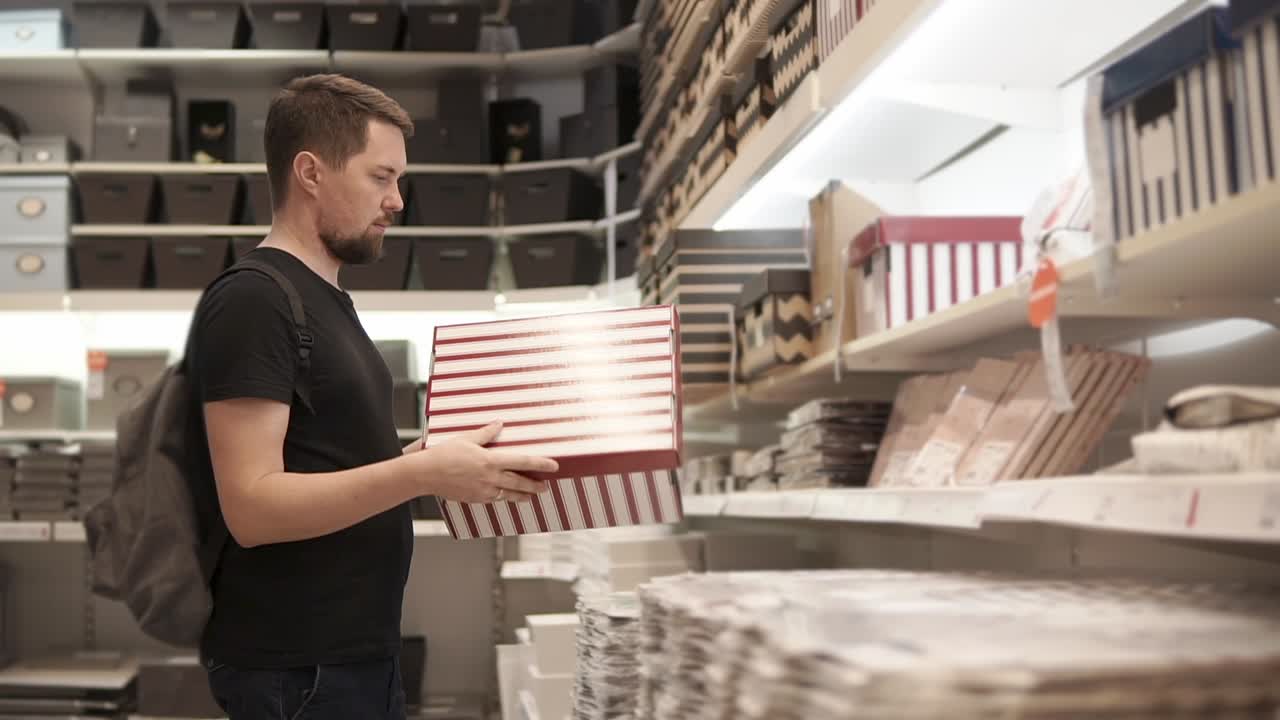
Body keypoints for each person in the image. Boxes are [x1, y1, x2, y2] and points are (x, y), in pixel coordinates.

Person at [188, 73, 558, 719]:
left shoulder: (321, 299)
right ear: (310, 172)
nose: (397, 201)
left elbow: (324, 460)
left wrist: (425, 458)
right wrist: (419, 471)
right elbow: (252, 507)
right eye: (380, 177)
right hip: (297, 665)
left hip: (343, 655)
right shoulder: (254, 299)